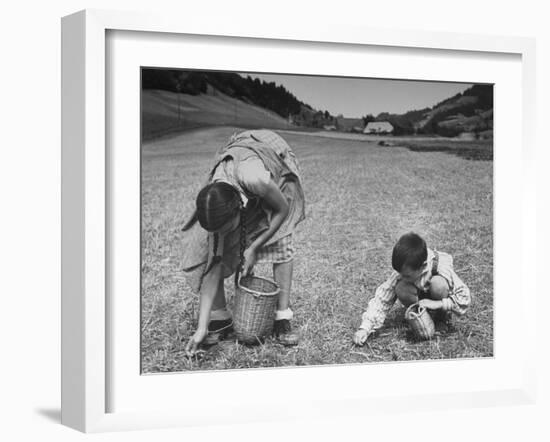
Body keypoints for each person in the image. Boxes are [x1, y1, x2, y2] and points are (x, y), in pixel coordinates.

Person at [180, 130, 306, 355]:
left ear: (240, 209)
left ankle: (282, 317)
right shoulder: (215, 197)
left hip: (273, 162)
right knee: (207, 254)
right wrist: (201, 329)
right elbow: (212, 269)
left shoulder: (255, 178)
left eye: (228, 228)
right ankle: (221, 319)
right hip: (241, 174)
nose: (223, 234)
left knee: (281, 242)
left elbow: (282, 209)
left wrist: (254, 247)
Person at [353, 232, 471, 345]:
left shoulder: (440, 266)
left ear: (423, 266)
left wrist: (437, 304)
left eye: (407, 275)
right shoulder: (404, 270)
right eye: (400, 273)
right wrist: (365, 328)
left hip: (438, 298)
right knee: (400, 288)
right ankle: (421, 315)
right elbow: (382, 299)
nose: (402, 276)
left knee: (438, 284)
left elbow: (464, 298)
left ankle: (441, 318)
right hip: (419, 298)